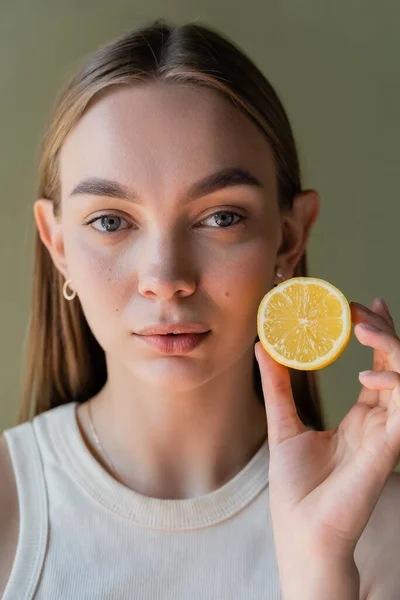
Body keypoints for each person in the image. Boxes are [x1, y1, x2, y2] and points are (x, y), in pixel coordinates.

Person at [0, 19, 399, 599]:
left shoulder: (381, 531)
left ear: (289, 238)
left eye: (221, 217)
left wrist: (321, 565)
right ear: (58, 244)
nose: (166, 279)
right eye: (110, 221)